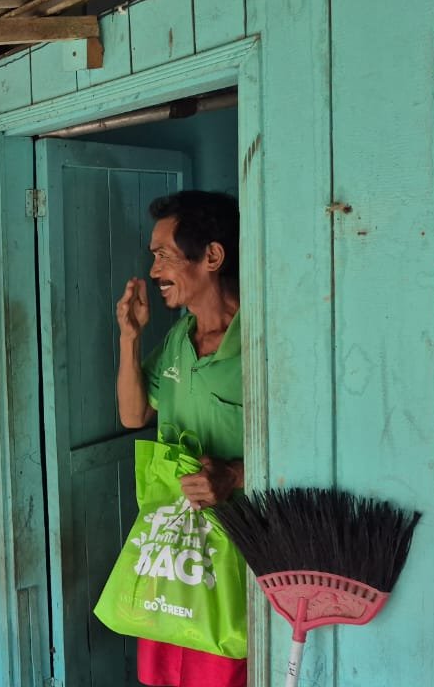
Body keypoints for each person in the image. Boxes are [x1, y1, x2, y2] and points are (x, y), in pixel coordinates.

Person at [115, 190, 245, 687]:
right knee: (165, 673)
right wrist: (130, 337)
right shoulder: (178, 337)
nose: (153, 271)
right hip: (172, 547)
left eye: (164, 255)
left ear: (212, 256)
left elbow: (304, 446)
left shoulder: (261, 338)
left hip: (236, 546)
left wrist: (234, 474)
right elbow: (133, 415)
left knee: (222, 669)